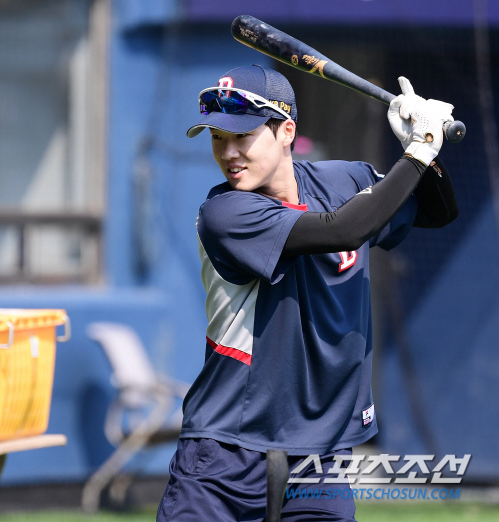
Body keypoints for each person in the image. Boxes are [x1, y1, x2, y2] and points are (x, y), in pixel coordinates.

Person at [156, 65, 458, 522]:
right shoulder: (226, 214)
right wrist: (415, 154)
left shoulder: (345, 181)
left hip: (321, 449)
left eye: (244, 136)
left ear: (286, 131)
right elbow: (346, 228)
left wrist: (422, 148)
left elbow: (437, 212)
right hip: (228, 444)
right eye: (218, 138)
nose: (229, 153)